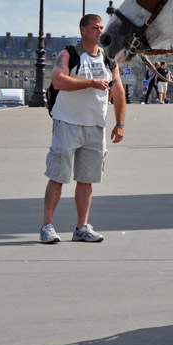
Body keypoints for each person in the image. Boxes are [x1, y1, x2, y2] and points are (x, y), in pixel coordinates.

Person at [40, 14, 126, 244]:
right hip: (67, 122)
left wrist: (119, 124)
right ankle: (47, 225)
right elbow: (58, 81)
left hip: (96, 125)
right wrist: (90, 83)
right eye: (95, 28)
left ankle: (81, 227)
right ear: (83, 30)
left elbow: (118, 93)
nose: (100, 31)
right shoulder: (69, 54)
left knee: (87, 179)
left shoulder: (109, 60)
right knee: (58, 176)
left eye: (101, 28)